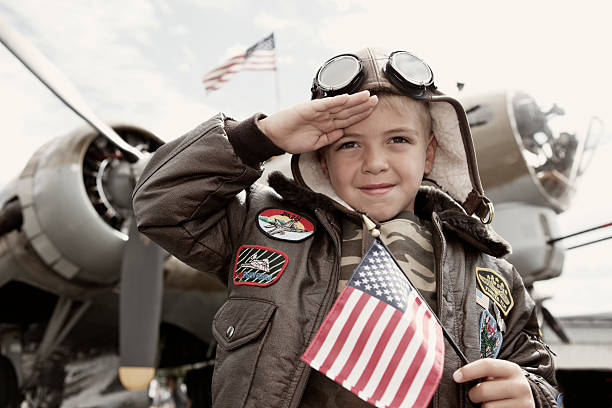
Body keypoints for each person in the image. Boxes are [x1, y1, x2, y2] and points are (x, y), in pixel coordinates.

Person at [133, 48, 559, 407]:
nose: (375, 162)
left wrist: (532, 395)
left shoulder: (493, 272)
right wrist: (261, 137)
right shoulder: (258, 224)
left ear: (429, 154)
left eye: (398, 140)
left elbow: (538, 373)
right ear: (321, 157)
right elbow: (161, 203)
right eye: (349, 144)